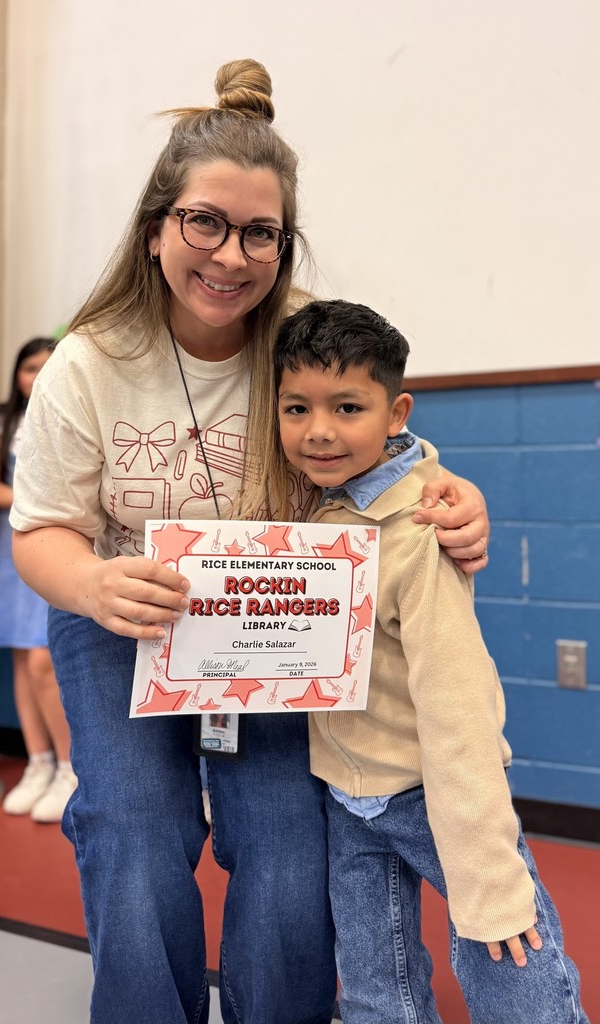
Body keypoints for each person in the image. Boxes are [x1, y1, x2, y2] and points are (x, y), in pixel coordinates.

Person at [9, 59, 491, 1024]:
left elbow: (385, 445)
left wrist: (455, 493)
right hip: (124, 622)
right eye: (204, 222)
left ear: (283, 242)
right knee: (136, 837)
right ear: (156, 230)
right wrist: (97, 584)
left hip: (273, 631)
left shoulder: (303, 342)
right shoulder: (87, 363)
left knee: (284, 844)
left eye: (259, 233)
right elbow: (40, 534)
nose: (230, 255)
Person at [255, 297, 588, 1024]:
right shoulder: (309, 505)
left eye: (347, 407)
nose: (318, 432)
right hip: (347, 792)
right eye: (296, 408)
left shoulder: (419, 531)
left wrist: (486, 870)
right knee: (375, 975)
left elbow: (457, 701)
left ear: (396, 411)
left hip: (431, 790)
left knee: (502, 943)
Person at [0, 338, 77, 823]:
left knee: (44, 660)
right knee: (22, 660)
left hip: (53, 546)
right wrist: (27, 497)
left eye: (45, 365)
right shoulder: (3, 426)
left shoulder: (67, 415)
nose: (35, 374)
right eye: (27, 366)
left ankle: (69, 767)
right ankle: (37, 764)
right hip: (10, 546)